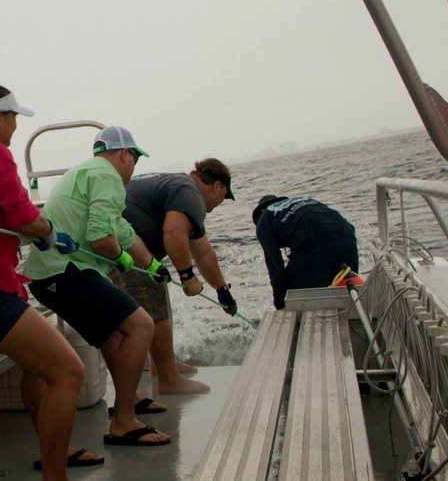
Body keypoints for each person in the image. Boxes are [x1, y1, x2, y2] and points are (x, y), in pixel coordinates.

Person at [0, 82, 103, 479]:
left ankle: (55, 452)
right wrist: (50, 232)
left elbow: (5, 214)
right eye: (13, 117)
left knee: (38, 368)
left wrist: (39, 231)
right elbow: (26, 218)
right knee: (69, 372)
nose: (15, 125)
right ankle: (55, 473)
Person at [26, 125, 171, 448]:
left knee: (113, 333)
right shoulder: (108, 177)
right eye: (135, 159)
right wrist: (120, 259)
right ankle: (123, 421)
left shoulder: (85, 172)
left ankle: (129, 400)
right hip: (65, 273)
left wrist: (153, 266)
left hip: (53, 274)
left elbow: (121, 230)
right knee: (141, 326)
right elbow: (102, 238)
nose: (134, 167)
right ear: (125, 154)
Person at [118, 159, 239, 395]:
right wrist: (187, 276)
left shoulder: (178, 187)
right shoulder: (190, 192)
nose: (220, 204)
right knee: (154, 304)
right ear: (216, 186)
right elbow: (173, 232)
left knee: (157, 298)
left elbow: (203, 252)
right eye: (224, 196)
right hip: (126, 247)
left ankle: (162, 365)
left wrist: (222, 289)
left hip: (125, 245)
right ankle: (169, 379)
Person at [252, 195, 360, 309]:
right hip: (347, 236)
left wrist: (280, 302)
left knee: (297, 297)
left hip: (311, 239)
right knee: (349, 294)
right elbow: (349, 227)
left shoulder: (264, 219)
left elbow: (275, 265)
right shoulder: (304, 201)